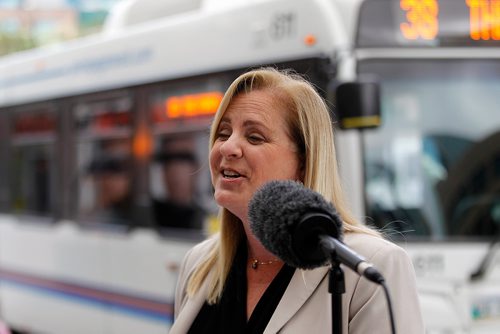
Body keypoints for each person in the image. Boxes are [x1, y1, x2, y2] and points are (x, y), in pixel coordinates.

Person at [170, 68, 425, 333]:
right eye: (223, 133)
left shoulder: (370, 265)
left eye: (254, 137)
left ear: (304, 163)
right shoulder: (199, 263)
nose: (227, 147)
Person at [152, 135, 205, 230]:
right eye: (167, 160)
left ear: (197, 167)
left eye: (183, 159)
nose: (174, 169)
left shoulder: (208, 220)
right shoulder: (149, 213)